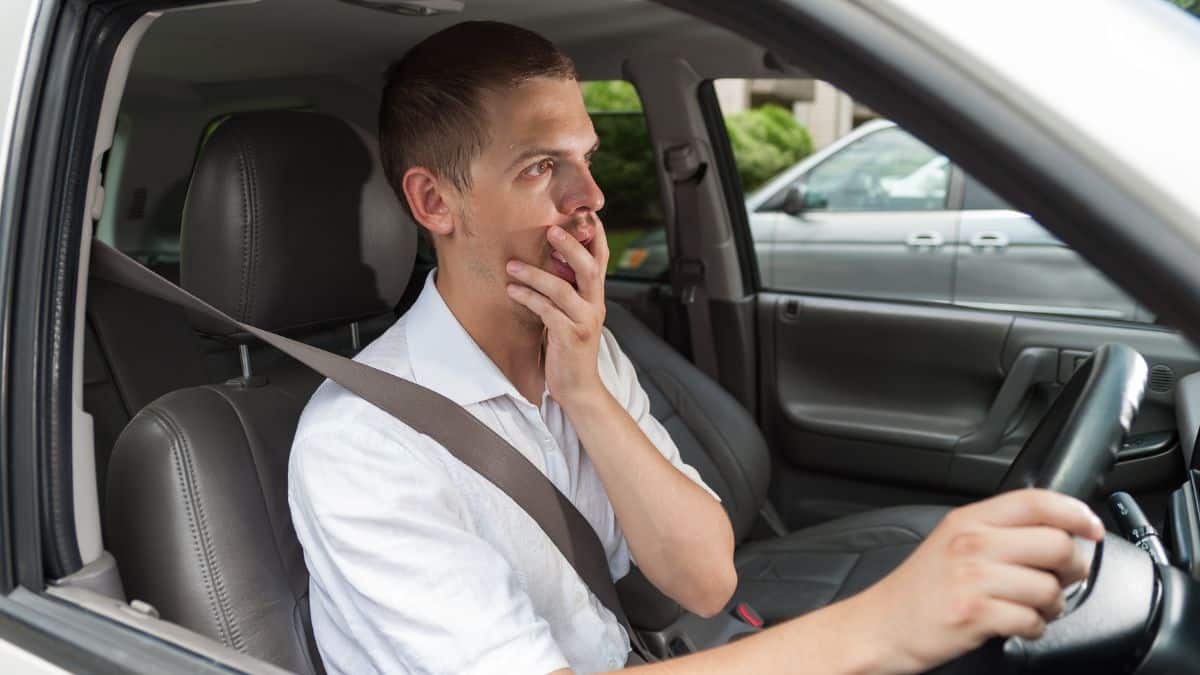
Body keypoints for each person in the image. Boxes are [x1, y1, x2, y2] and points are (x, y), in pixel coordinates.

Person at [287, 20, 1104, 675]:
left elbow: (706, 578)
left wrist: (585, 392)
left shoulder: (580, 349)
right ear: (435, 200)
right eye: (543, 168)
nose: (592, 198)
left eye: (587, 160)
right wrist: (883, 626)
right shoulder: (361, 444)